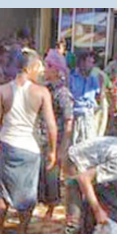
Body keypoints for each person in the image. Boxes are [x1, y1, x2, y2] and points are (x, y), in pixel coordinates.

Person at [0, 49, 57, 234]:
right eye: (38, 68)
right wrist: (53, 151)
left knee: (2, 193)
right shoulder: (41, 92)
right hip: (30, 150)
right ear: (30, 67)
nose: (40, 72)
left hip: (7, 146)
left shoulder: (2, 90)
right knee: (27, 197)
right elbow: (51, 126)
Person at [39, 50, 74, 221]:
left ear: (56, 70)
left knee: (52, 174)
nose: (44, 69)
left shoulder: (63, 93)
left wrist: (63, 147)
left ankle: (51, 208)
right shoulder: (45, 89)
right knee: (41, 172)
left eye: (47, 66)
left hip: (55, 139)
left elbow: (69, 121)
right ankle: (43, 203)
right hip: (42, 137)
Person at [69, 51, 101, 145]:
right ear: (81, 63)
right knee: (73, 145)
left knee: (89, 144)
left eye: (92, 63)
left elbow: (98, 95)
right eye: (89, 62)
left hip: (88, 115)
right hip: (75, 115)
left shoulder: (93, 79)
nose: (91, 66)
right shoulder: (72, 78)